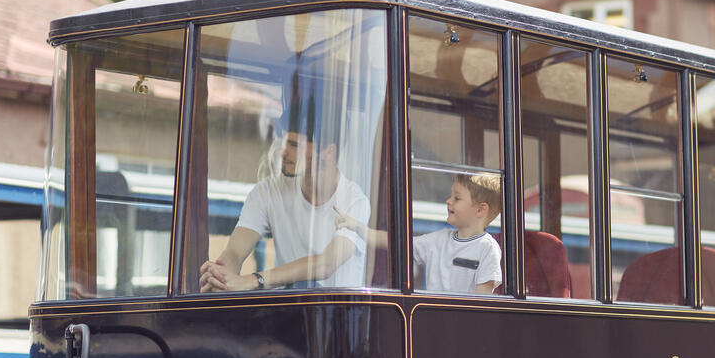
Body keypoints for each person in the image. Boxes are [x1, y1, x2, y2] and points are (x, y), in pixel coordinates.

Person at [199, 124, 369, 292]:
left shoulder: (355, 201)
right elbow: (235, 251)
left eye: (294, 145)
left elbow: (326, 263)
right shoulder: (268, 191)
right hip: (283, 310)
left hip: (335, 313)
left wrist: (253, 280)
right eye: (284, 142)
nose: (283, 152)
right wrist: (220, 275)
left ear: (329, 152)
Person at [336, 173, 502, 294]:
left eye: (457, 198)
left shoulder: (487, 249)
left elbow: (483, 302)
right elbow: (397, 243)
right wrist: (358, 227)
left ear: (480, 210)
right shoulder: (439, 239)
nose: (448, 201)